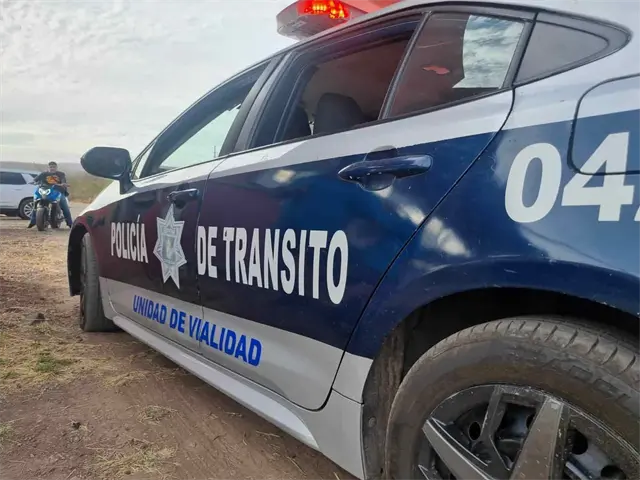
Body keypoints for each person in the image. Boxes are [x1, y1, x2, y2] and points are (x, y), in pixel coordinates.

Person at [28, 161, 73, 228]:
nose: (52, 168)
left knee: (64, 206)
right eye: (51, 167)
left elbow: (63, 180)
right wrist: (33, 181)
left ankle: (70, 223)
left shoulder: (61, 174)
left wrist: (63, 184)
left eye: (54, 167)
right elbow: (36, 179)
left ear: (56, 167)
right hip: (45, 191)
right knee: (35, 204)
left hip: (58, 191)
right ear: (48, 167)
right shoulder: (44, 174)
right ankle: (33, 221)